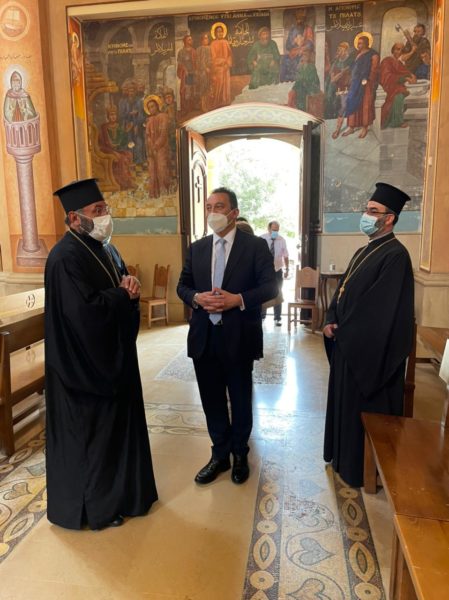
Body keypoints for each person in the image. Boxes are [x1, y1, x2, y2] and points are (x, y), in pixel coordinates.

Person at [45, 178, 158, 530]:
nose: (105, 216)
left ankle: (126, 496)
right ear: (74, 218)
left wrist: (131, 289)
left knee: (119, 433)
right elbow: (84, 315)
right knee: (93, 442)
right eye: (98, 210)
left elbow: (123, 284)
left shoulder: (107, 249)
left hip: (114, 359)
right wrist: (122, 297)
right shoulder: (64, 258)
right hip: (85, 369)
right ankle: (98, 507)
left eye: (105, 208)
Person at [177, 187, 277, 485]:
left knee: (240, 397)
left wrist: (238, 300)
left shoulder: (255, 246)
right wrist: (196, 298)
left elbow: (270, 287)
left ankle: (240, 453)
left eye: (219, 207)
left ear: (234, 212)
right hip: (204, 335)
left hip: (239, 335)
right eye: (209, 207)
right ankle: (219, 454)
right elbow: (182, 286)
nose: (212, 213)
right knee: (211, 399)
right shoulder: (197, 248)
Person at [323, 182, 414, 488]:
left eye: (373, 211)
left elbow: (379, 311)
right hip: (347, 345)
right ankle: (340, 457)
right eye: (367, 209)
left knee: (360, 411)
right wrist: (330, 319)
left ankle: (358, 469)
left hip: (368, 354)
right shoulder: (364, 251)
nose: (366, 215)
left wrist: (347, 332)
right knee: (344, 407)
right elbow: (342, 290)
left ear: (389, 218)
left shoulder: (396, 256)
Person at [341, 35, 379, 139]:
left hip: (365, 82)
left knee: (365, 104)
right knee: (352, 102)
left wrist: (368, 80)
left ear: (367, 43)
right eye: (358, 43)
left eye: (361, 43)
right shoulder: (357, 54)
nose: (358, 45)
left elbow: (374, 69)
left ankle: (365, 127)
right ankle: (351, 126)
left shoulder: (373, 55)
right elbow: (352, 67)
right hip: (355, 82)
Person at [98, 104, 135, 190]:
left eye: (114, 114)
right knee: (121, 158)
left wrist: (126, 132)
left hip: (118, 150)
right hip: (107, 150)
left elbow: (123, 142)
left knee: (128, 154)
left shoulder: (119, 126)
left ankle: (127, 180)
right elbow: (101, 144)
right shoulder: (104, 127)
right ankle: (122, 182)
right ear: (108, 116)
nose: (113, 117)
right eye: (111, 115)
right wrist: (113, 151)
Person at [380, 43, 416, 129]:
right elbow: (386, 76)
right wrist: (405, 78)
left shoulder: (399, 63)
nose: (399, 52)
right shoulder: (387, 60)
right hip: (389, 86)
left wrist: (411, 75)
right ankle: (396, 122)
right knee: (398, 95)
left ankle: (397, 120)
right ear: (393, 50)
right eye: (397, 49)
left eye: (402, 50)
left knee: (401, 91)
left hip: (396, 85)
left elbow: (405, 72)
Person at [260, 221, 289, 325]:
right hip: (264, 271)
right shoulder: (262, 239)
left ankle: (277, 318)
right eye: (273, 230)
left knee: (278, 292)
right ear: (269, 229)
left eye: (277, 230)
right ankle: (262, 316)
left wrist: (287, 269)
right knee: (263, 292)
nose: (275, 232)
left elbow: (286, 256)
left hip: (277, 270)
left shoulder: (282, 240)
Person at [144, 95, 172, 198]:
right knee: (152, 170)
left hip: (161, 148)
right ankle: (154, 193)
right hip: (152, 149)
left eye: (153, 106)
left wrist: (156, 146)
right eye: (149, 107)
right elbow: (147, 135)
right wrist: (150, 147)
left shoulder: (163, 116)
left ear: (157, 106)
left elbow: (163, 134)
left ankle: (164, 191)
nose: (151, 109)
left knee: (162, 169)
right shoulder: (149, 120)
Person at [280, 8, 314, 82]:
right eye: (298, 18)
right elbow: (287, 46)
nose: (299, 20)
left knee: (299, 61)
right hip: (292, 53)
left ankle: (298, 82)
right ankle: (284, 82)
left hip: (304, 52)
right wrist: (294, 42)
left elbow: (310, 44)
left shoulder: (308, 29)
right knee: (283, 59)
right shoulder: (292, 30)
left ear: (304, 19)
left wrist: (302, 49)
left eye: (301, 18)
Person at [288, 46, 321, 112]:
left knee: (300, 90)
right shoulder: (301, 66)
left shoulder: (311, 67)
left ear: (309, 57)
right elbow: (298, 79)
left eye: (306, 55)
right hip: (303, 86)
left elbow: (310, 80)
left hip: (312, 87)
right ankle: (297, 108)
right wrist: (293, 89)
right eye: (303, 55)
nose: (304, 57)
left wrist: (300, 82)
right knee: (293, 92)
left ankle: (302, 109)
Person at [210, 24, 233, 110]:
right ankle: (217, 103)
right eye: (218, 32)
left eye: (221, 31)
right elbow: (213, 57)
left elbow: (230, 55)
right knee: (218, 85)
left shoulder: (226, 42)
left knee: (226, 86)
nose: (220, 33)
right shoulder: (213, 44)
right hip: (218, 68)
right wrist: (222, 61)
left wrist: (228, 64)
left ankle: (225, 103)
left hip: (226, 68)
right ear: (215, 33)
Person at [177, 34, 197, 115]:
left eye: (191, 39)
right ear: (185, 41)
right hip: (185, 75)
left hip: (193, 74)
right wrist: (185, 69)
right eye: (189, 39)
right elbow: (180, 63)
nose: (191, 41)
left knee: (193, 90)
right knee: (185, 91)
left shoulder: (193, 51)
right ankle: (185, 109)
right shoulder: (181, 52)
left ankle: (192, 107)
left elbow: (196, 62)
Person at [196, 32, 213, 112]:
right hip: (203, 72)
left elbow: (211, 58)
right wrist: (205, 68)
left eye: (207, 38)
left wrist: (210, 67)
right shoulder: (199, 49)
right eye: (205, 38)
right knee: (203, 88)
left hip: (210, 70)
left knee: (209, 88)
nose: (207, 40)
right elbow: (199, 61)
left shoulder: (210, 48)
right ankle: (203, 106)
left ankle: (208, 105)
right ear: (202, 40)